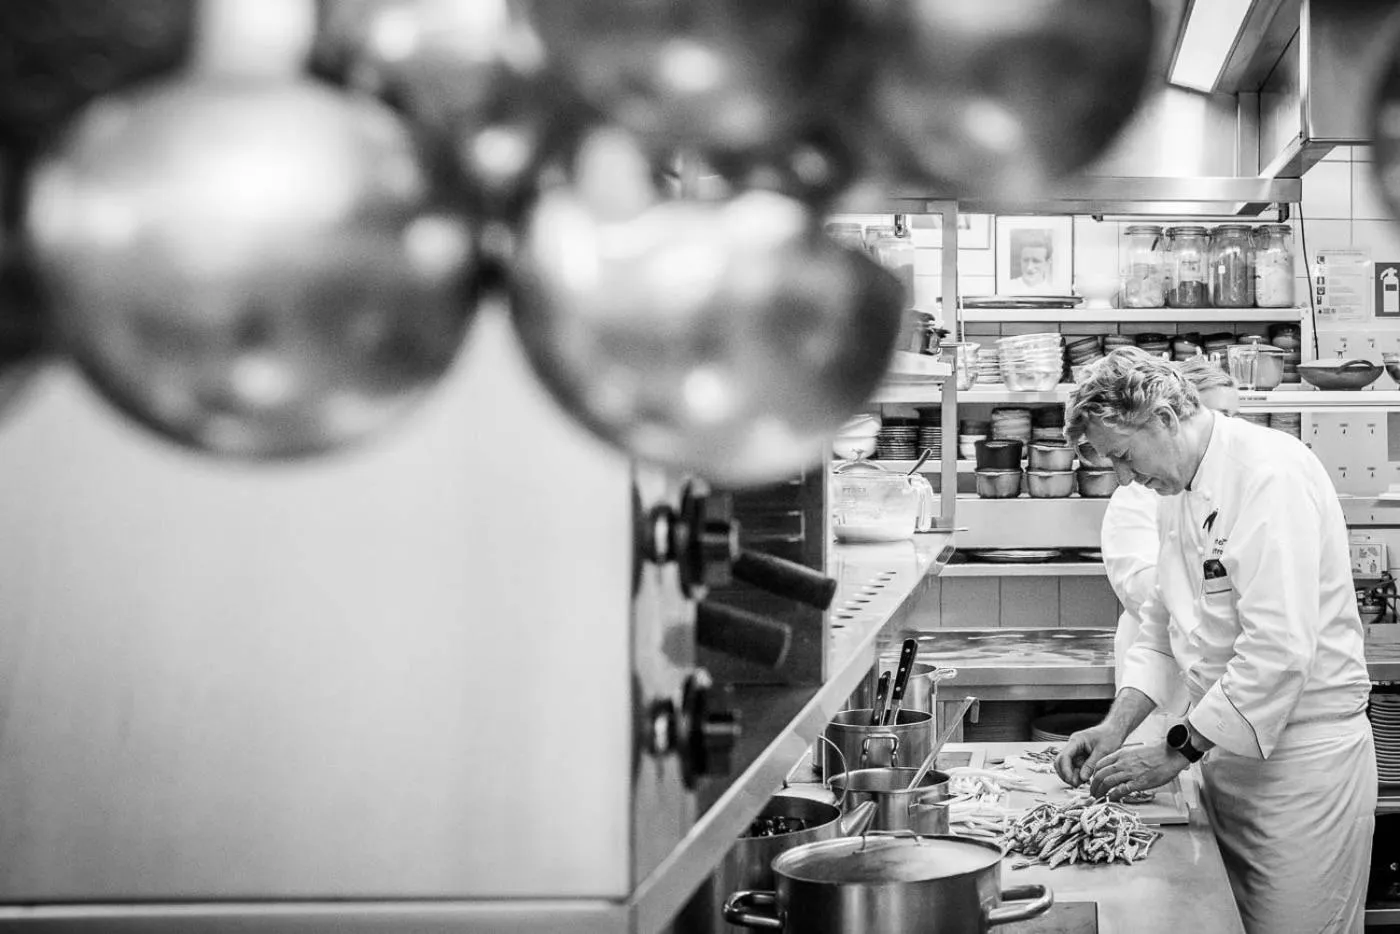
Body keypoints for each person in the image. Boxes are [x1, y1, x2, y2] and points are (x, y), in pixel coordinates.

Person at [1055, 347, 1376, 934]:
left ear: (1165, 418)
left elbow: (1278, 652)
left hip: (1301, 770)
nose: (1125, 478)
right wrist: (1115, 726)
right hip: (1226, 758)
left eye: (1123, 456)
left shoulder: (1267, 474)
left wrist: (1177, 751)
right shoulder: (1176, 489)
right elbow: (1161, 620)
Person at [1098, 357, 1240, 746]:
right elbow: (1147, 595)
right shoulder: (1148, 492)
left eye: (1235, 416)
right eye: (1219, 415)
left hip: (1242, 710)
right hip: (1163, 696)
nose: (1228, 428)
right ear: (1175, 418)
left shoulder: (1259, 481)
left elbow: (1275, 646)